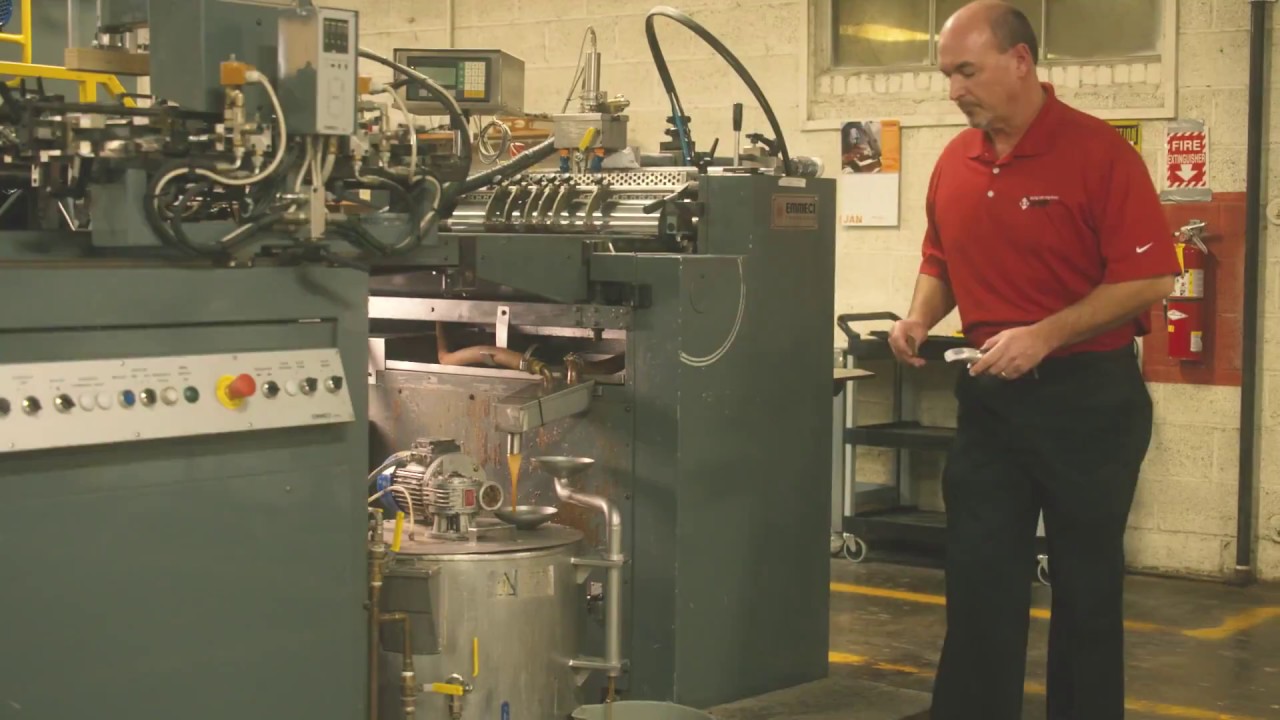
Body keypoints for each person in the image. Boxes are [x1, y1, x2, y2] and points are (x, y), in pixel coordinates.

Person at [890, 2, 1181, 719]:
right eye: (947, 74)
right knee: (980, 576)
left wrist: (1045, 335)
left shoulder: (1099, 153)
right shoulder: (953, 162)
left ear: (1020, 61)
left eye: (967, 70)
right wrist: (921, 314)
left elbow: (1151, 278)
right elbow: (940, 256)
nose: (954, 89)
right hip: (991, 403)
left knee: (1085, 586)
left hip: (1089, 401)